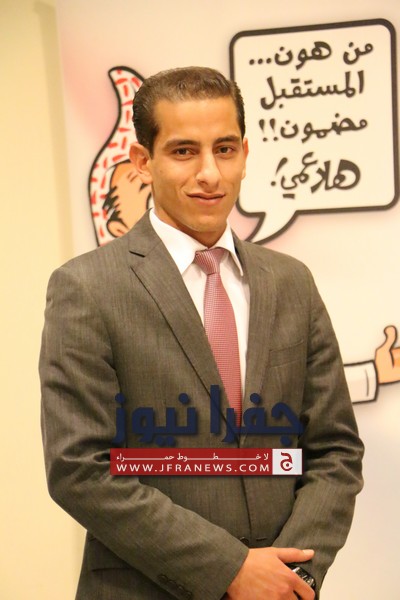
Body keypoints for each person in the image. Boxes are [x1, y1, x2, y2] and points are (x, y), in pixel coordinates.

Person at [40, 66, 363, 600]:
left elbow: (334, 450)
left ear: (245, 154)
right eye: (184, 151)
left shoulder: (291, 282)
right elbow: (80, 469)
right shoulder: (86, 287)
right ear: (143, 161)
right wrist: (230, 570)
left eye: (225, 149)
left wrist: (293, 576)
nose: (210, 173)